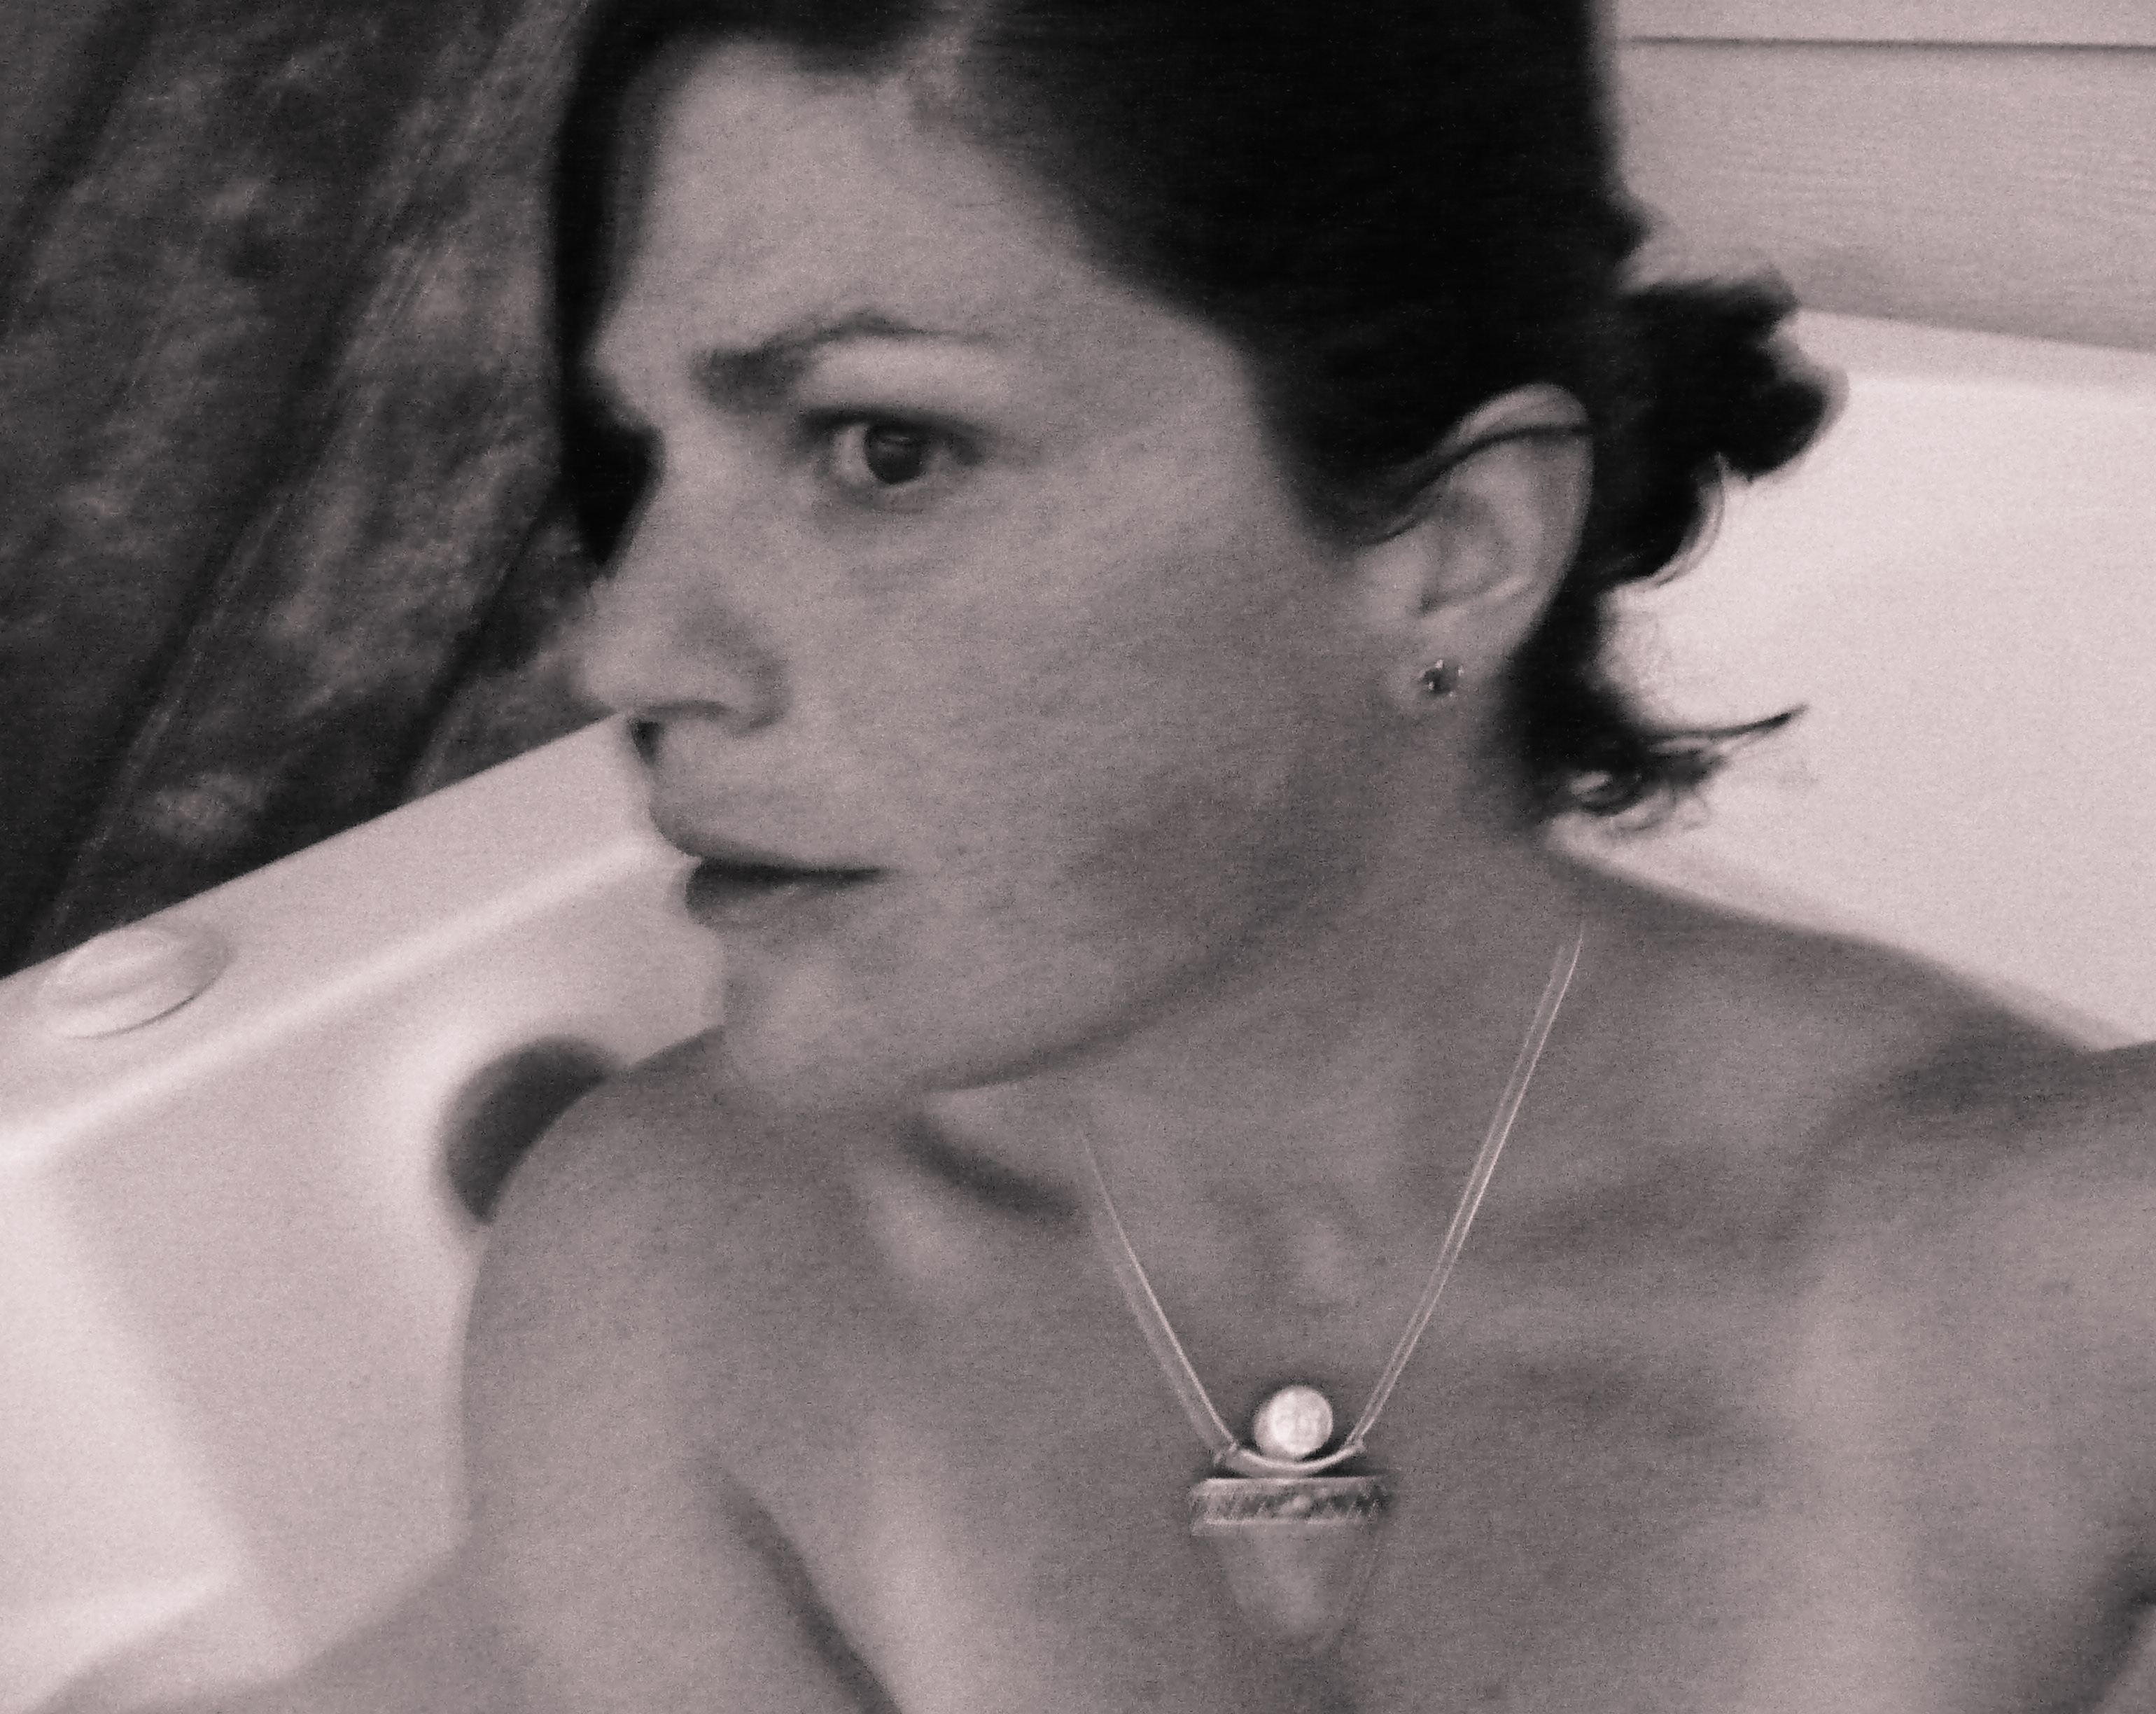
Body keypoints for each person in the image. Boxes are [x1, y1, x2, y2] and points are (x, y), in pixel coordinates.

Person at [158, 1, 2156, 1710]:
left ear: (1451, 556)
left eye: (885, 449)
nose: (628, 650)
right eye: (643, 461)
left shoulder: (2053, 1280)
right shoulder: (676, 1286)